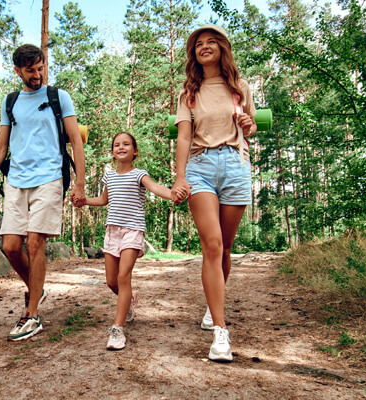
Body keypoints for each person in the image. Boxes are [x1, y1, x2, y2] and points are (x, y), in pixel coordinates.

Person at [0, 44, 87, 341]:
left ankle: (32, 313)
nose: (37, 75)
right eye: (30, 70)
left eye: (40, 68)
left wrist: (79, 183)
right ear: (18, 71)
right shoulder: (10, 102)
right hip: (16, 180)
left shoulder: (58, 97)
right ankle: (38, 289)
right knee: (11, 246)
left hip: (50, 177)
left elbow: (76, 141)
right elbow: (1, 146)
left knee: (35, 242)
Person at [171, 24, 257, 362]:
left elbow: (248, 126)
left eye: (211, 42)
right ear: (193, 53)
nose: (204, 47)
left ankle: (212, 306)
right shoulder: (189, 92)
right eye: (198, 44)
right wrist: (180, 177)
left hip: (235, 165)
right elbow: (182, 137)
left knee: (226, 249)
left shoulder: (240, 87)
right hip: (200, 166)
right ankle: (221, 333)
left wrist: (248, 125)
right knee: (213, 244)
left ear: (222, 48)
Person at [74, 132, 173, 350]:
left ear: (134, 151)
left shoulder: (140, 175)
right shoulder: (109, 176)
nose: (121, 147)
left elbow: (156, 188)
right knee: (112, 282)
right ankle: (130, 299)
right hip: (112, 231)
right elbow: (103, 200)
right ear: (112, 152)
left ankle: (117, 329)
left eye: (126, 144)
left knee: (123, 276)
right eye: (117, 145)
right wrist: (84, 201)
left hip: (133, 231)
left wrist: (173, 193)